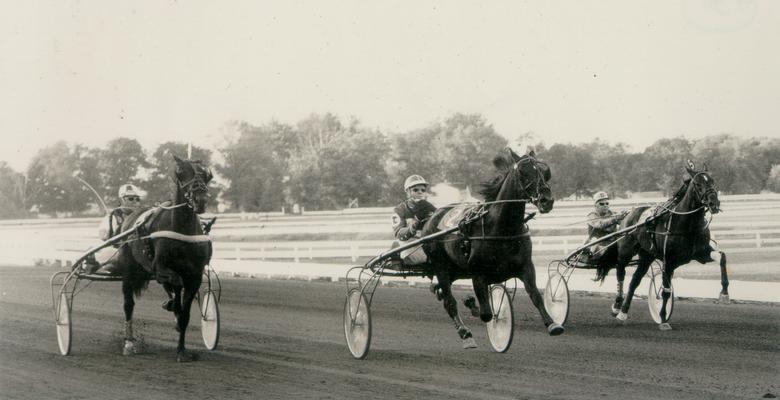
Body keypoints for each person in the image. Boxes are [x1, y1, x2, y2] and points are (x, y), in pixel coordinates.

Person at [84, 184, 144, 274]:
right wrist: (108, 232)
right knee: (112, 253)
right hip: (117, 250)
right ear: (121, 200)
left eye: (137, 199)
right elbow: (103, 236)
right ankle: (105, 267)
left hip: (136, 249)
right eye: (130, 199)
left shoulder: (142, 216)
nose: (135, 202)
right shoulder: (113, 216)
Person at [391, 175, 437, 266]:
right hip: (410, 243)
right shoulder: (400, 209)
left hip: (427, 243)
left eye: (423, 190)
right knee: (422, 258)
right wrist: (412, 228)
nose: (420, 192)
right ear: (408, 192)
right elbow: (398, 233)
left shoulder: (430, 208)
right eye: (416, 190)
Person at [584, 191, 628, 260]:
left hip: (611, 241)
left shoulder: (613, 213)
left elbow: (623, 223)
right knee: (594, 240)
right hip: (597, 242)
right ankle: (591, 255)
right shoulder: (592, 215)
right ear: (595, 205)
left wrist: (625, 216)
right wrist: (615, 218)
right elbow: (599, 224)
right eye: (602, 204)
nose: (605, 205)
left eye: (607, 203)